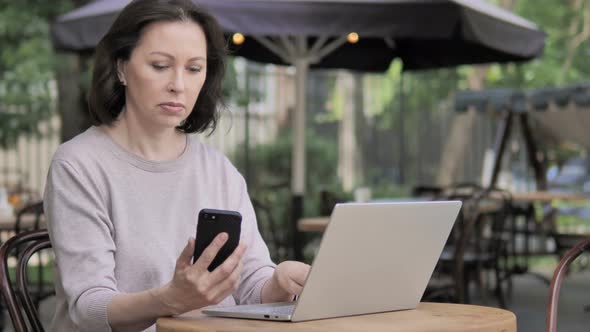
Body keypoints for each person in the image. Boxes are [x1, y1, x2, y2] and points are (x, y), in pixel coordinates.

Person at [43, 0, 310, 331]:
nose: (178, 85)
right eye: (160, 65)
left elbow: (250, 284)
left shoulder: (218, 170)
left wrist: (279, 284)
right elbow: (88, 307)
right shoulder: (79, 165)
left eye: (194, 69)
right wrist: (171, 299)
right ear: (121, 68)